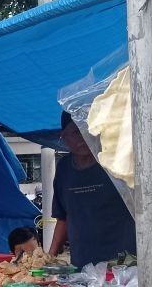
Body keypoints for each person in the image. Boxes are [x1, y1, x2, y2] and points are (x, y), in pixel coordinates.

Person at [49, 111, 136, 268]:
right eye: (76, 132)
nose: (83, 137)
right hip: (83, 265)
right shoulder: (64, 169)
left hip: (124, 264)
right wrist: (49, 258)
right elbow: (62, 217)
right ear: (64, 136)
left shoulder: (114, 162)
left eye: (87, 130)